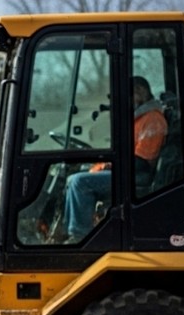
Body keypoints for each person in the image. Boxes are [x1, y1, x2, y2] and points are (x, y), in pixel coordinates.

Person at [62, 75, 168, 241]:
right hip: (127, 170)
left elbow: (141, 162)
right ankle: (67, 232)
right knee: (72, 179)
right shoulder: (139, 118)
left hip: (137, 176)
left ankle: (80, 236)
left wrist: (113, 164)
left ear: (141, 91)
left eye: (129, 95)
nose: (126, 100)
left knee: (80, 182)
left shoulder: (153, 120)